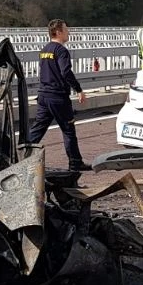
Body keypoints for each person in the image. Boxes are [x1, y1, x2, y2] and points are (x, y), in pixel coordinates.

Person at [27, 19, 89, 173]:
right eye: (66, 30)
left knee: (37, 130)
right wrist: (78, 89)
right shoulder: (61, 51)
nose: (69, 32)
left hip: (43, 95)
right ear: (59, 32)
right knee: (68, 130)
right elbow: (65, 72)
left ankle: (18, 156)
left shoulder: (44, 49)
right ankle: (75, 164)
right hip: (58, 97)